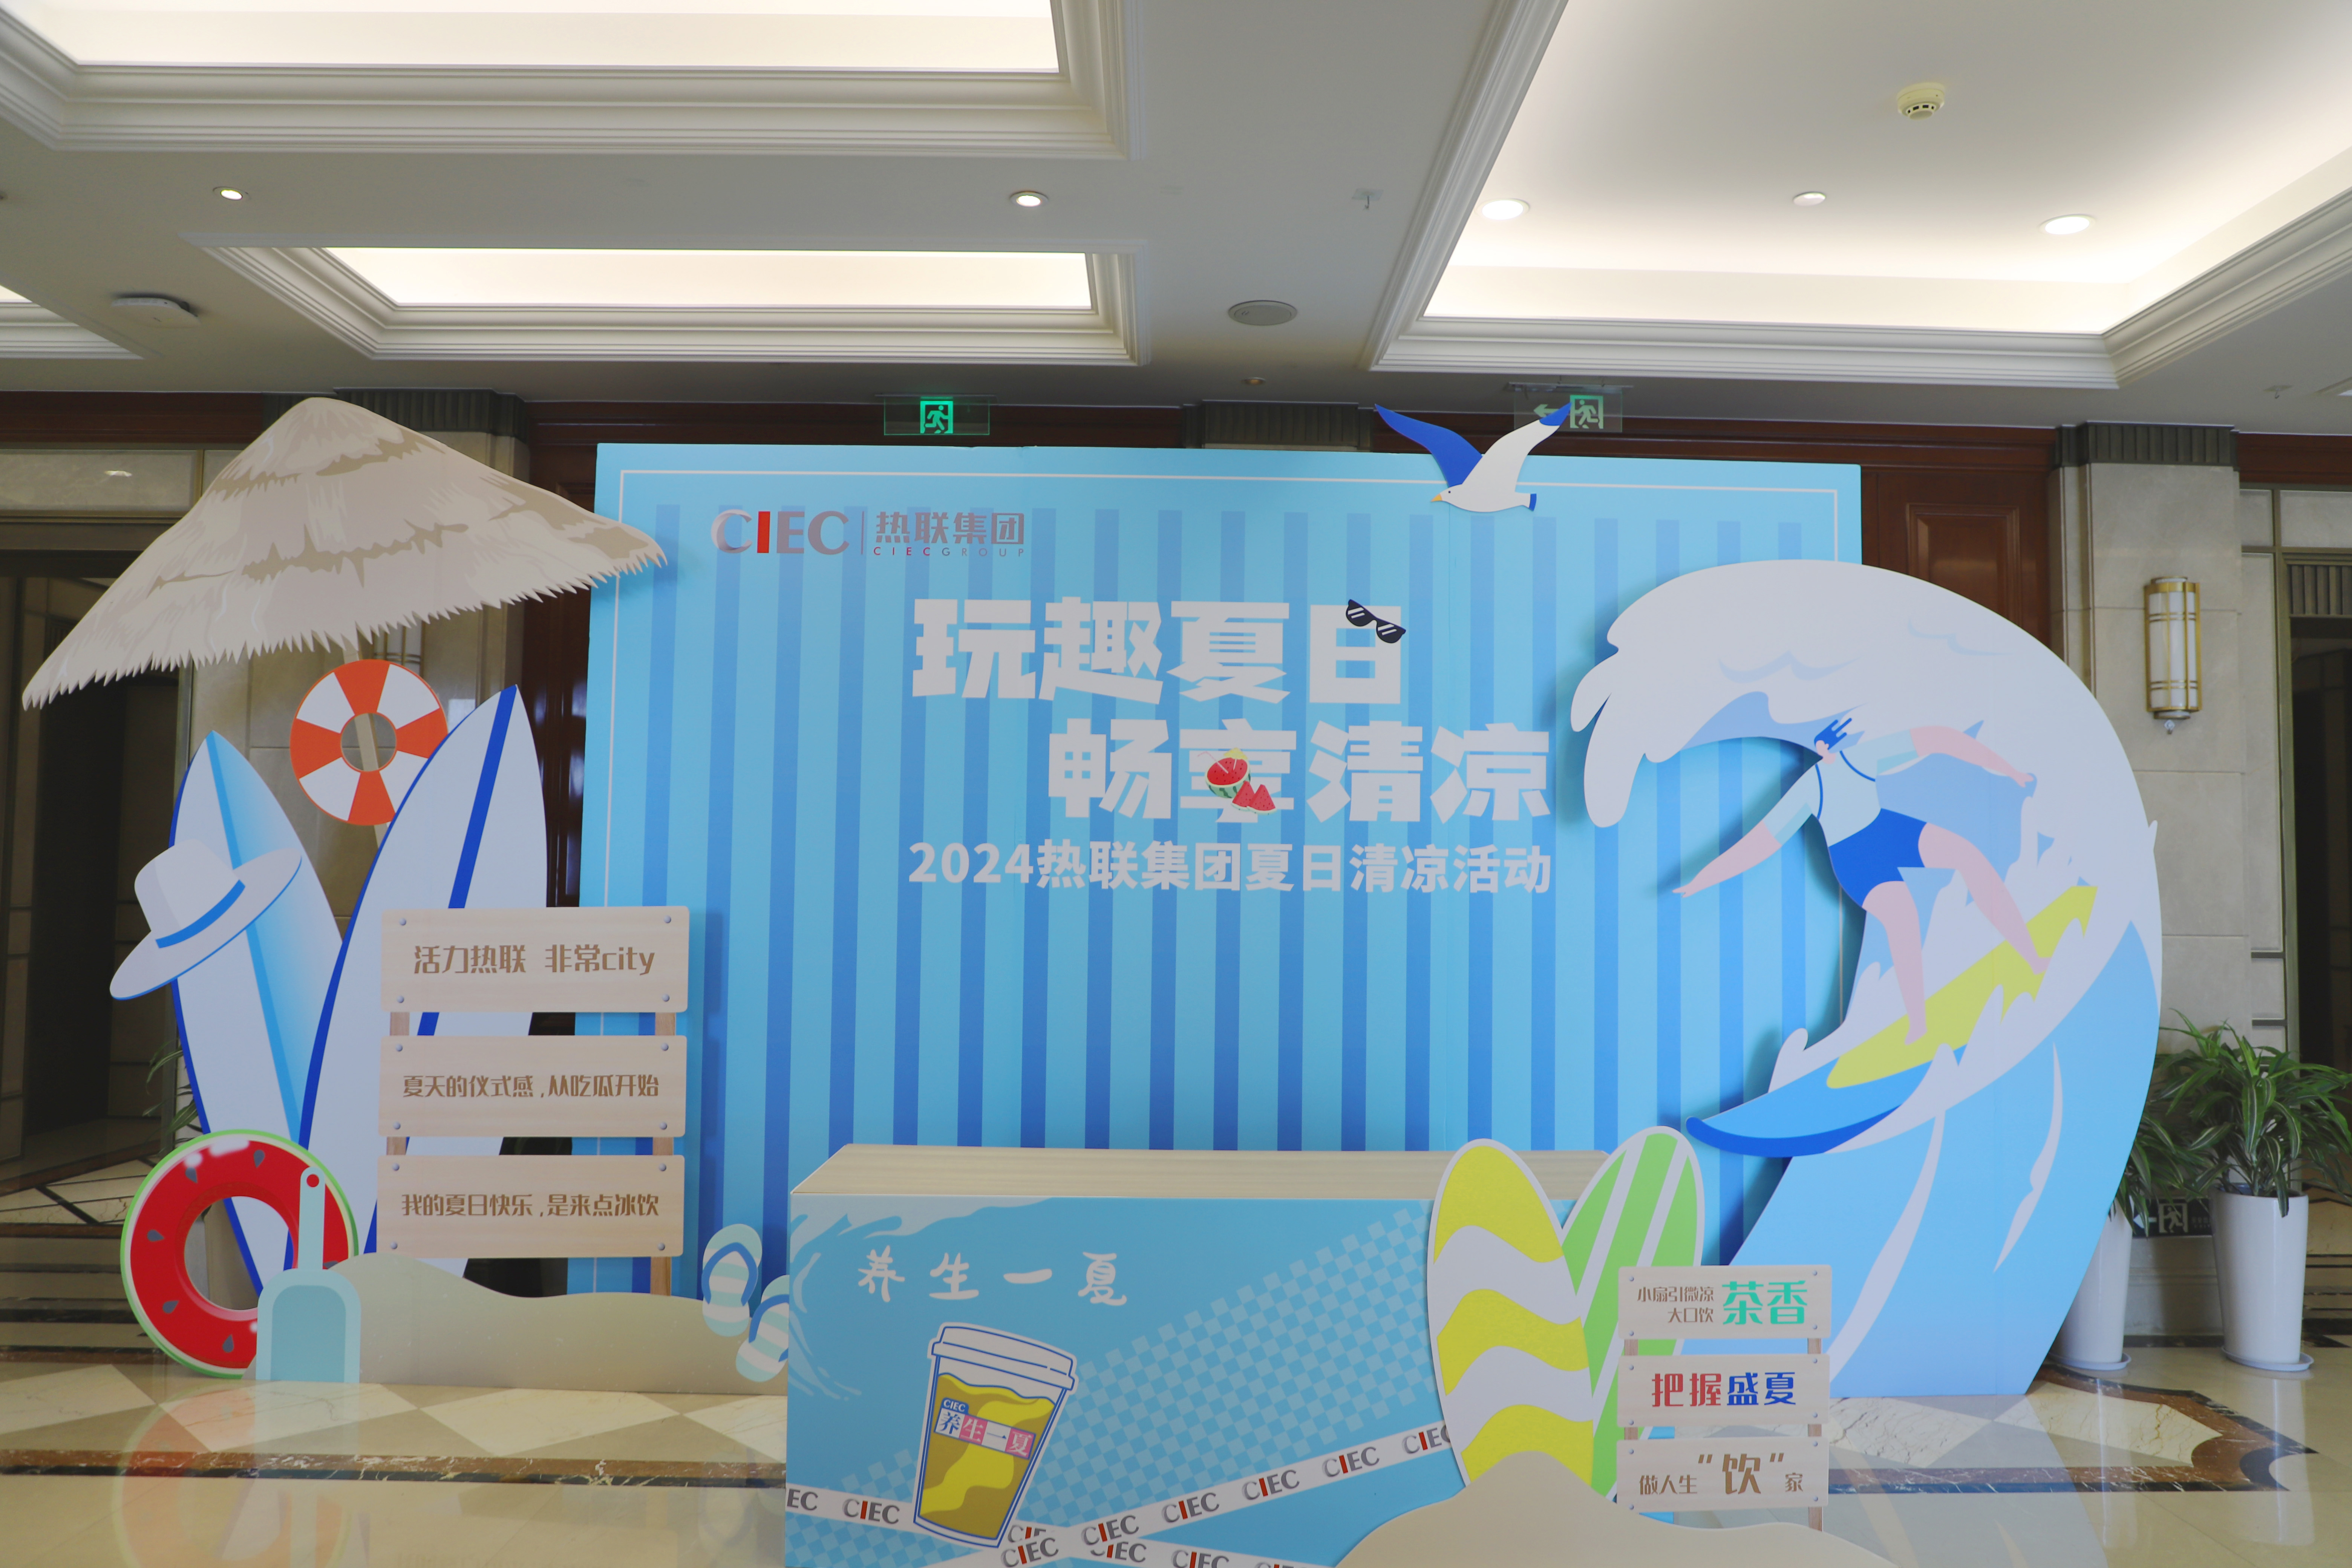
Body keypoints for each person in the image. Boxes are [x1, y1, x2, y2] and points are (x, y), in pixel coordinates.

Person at [1678, 718, 2046, 1043]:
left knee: (1968, 856)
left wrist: (2008, 769)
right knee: (1903, 918)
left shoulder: (1860, 758)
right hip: (1855, 859)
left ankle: (2032, 957)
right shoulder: (1811, 787)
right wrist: (1703, 880)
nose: (1830, 746)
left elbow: (1938, 739)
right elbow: (1759, 844)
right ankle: (1919, 1025)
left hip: (1888, 830)